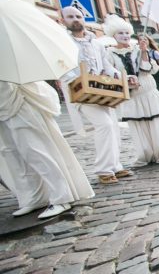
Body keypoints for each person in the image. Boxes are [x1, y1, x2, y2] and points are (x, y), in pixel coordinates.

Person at [60, 6, 133, 185]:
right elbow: (62, 67)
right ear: (63, 20)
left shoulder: (96, 43)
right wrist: (76, 80)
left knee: (113, 127)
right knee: (105, 125)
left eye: (78, 16)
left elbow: (107, 66)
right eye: (70, 17)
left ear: (84, 18)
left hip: (102, 89)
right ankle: (103, 169)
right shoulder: (63, 42)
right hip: (81, 92)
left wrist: (119, 75)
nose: (75, 19)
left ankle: (115, 165)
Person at [0, 81, 94, 219]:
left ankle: (61, 198)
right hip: (3, 104)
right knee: (14, 154)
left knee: (36, 151)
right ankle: (34, 198)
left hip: (19, 99)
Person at [103, 17, 159, 167]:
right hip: (132, 94)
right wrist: (124, 79)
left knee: (158, 122)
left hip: (148, 89)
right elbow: (109, 71)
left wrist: (144, 52)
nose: (124, 36)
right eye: (120, 33)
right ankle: (147, 154)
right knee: (139, 125)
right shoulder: (109, 53)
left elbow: (149, 68)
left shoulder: (138, 49)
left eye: (126, 32)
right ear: (114, 35)